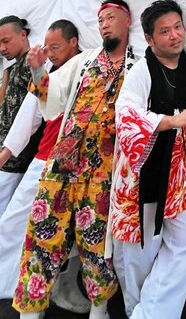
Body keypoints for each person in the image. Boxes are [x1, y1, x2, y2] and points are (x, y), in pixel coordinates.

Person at [13, 0, 136, 319]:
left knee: (96, 243)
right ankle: (31, 310)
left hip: (104, 173)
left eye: (111, 18)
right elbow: (52, 96)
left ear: (127, 21)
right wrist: (39, 67)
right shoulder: (85, 60)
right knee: (42, 235)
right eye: (100, 20)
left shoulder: (139, 64)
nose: (104, 25)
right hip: (62, 165)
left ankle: (100, 308)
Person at [111, 0, 186, 319]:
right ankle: (137, 309)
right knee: (139, 258)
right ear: (149, 39)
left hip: (178, 177)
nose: (174, 35)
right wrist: (169, 120)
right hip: (141, 180)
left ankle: (152, 312)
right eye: (165, 31)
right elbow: (125, 115)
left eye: (178, 27)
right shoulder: (140, 72)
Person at [0, 20, 83, 303]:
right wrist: (6, 152)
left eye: (55, 46)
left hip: (78, 163)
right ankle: (6, 283)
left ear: (74, 42)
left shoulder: (89, 69)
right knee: (13, 220)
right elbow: (30, 114)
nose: (50, 52)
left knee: (70, 231)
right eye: (47, 46)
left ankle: (60, 287)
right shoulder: (48, 71)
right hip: (44, 157)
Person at [0, 16, 43, 218]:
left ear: (23, 35)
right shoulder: (14, 67)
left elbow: (33, 110)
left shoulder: (31, 64)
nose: (2, 48)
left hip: (14, 158)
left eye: (6, 41)